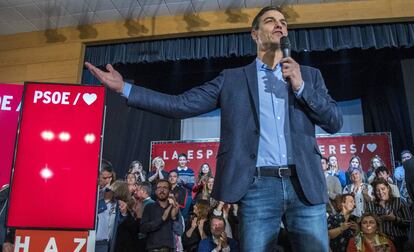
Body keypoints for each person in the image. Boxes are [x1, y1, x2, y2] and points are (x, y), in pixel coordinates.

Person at [85, 5, 343, 251]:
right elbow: (181, 104)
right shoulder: (233, 79)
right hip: (258, 187)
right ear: (255, 34)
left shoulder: (309, 76)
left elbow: (333, 122)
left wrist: (300, 86)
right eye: (270, 21)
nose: (279, 25)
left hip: (305, 186)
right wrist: (124, 89)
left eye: (283, 23)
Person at [366, 178, 410, 251]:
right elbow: (367, 226)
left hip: (399, 241)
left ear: (388, 188)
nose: (381, 192)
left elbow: (409, 223)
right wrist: (377, 221)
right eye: (377, 190)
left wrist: (395, 219)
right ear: (374, 192)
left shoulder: (400, 201)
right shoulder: (371, 205)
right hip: (380, 242)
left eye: (383, 189)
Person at [140, 179, 184, 251]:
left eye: (165, 188)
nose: (162, 190)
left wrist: (173, 218)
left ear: (169, 192)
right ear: (156, 191)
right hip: (152, 248)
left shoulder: (174, 208)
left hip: (170, 249)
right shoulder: (149, 207)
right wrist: (162, 219)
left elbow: (179, 231)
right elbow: (143, 229)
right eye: (159, 187)